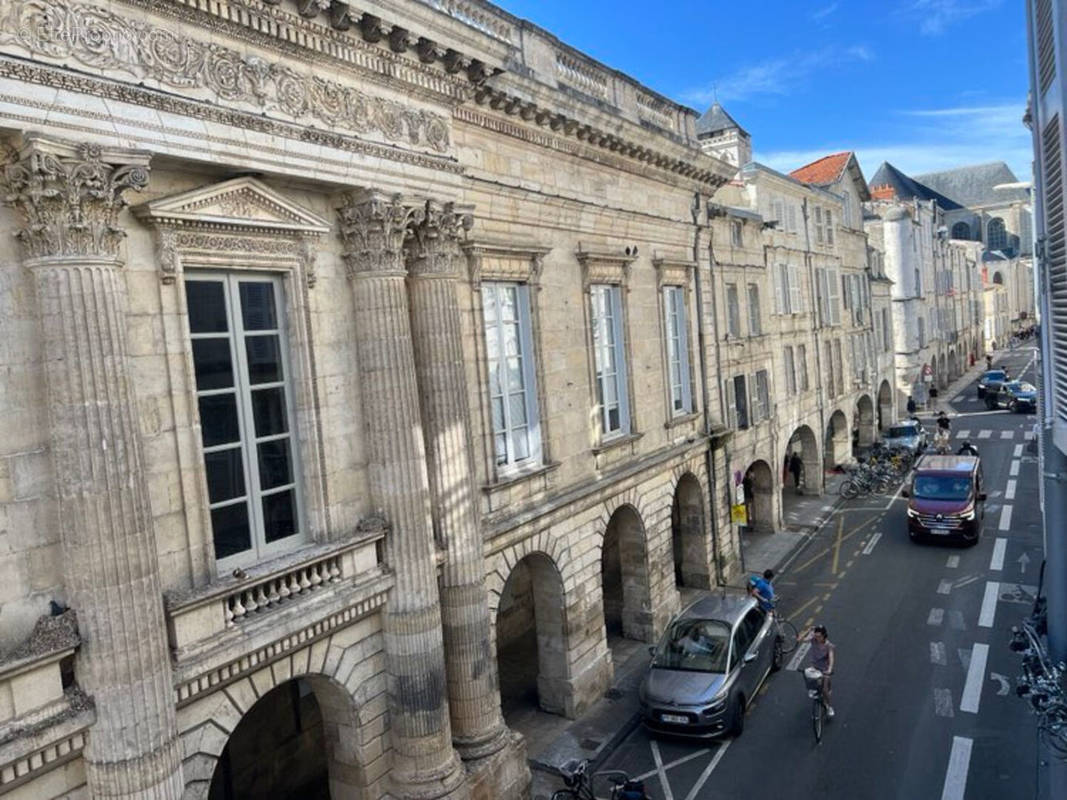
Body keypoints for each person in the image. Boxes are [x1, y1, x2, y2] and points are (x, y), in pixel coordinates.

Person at [798, 624, 836, 718]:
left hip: (824, 670)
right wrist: (808, 630)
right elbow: (800, 639)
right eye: (816, 636)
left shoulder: (828, 646)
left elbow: (831, 658)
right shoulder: (813, 640)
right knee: (808, 678)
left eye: (819, 636)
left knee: (825, 689)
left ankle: (829, 707)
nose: (817, 638)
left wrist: (829, 669)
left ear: (824, 635)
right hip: (815, 667)